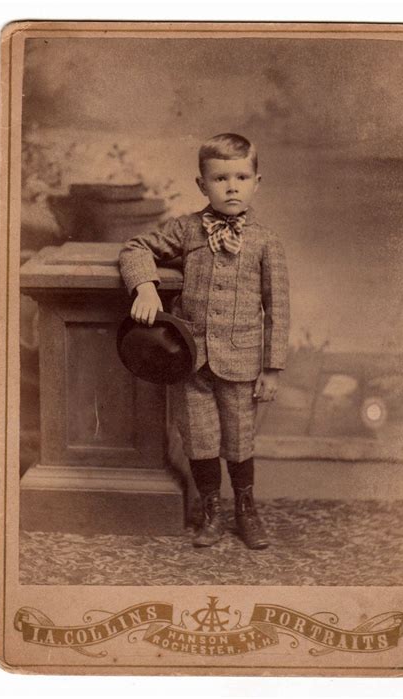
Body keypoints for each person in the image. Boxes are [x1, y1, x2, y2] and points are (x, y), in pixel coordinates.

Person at [119, 133, 289, 549]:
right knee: (199, 438)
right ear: (202, 185)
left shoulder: (266, 242)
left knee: (238, 438)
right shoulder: (186, 230)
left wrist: (271, 367)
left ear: (256, 182)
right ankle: (210, 511)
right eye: (220, 179)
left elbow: (278, 308)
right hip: (190, 361)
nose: (232, 186)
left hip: (242, 362)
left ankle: (246, 510)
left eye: (241, 177)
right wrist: (145, 286)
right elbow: (135, 247)